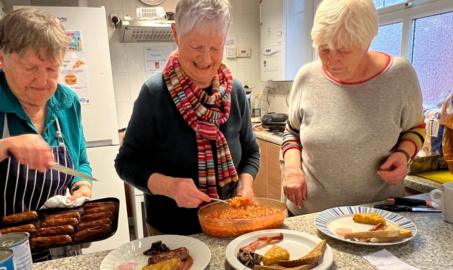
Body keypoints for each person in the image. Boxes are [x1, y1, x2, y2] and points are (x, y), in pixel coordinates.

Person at [115, 0, 260, 235]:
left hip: (230, 223)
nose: (205, 60)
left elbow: (251, 152)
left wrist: (245, 185)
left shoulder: (234, 92)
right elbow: (126, 164)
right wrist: (170, 187)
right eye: (195, 46)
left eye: (215, 48)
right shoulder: (154, 93)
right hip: (171, 232)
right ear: (176, 34)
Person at [281, 0, 426, 215]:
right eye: (324, 49)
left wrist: (404, 154)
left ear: (366, 42)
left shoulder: (400, 76)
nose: (332, 60)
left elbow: (416, 128)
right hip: (309, 214)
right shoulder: (307, 76)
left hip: (376, 217)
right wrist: (292, 169)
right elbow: (292, 131)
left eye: (343, 50)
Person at [0, 8, 93, 259]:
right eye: (31, 68)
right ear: (2, 59)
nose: (43, 80)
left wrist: (81, 185)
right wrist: (5, 145)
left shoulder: (67, 102)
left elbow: (80, 161)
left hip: (58, 247)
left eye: (52, 69)